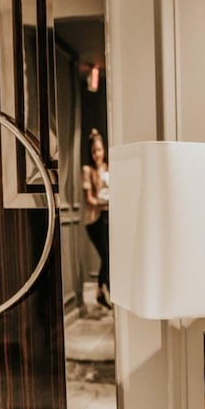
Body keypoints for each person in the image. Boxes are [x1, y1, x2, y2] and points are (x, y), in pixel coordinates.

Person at [82, 128, 111, 308]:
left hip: (109, 217)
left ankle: (101, 291)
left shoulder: (110, 168)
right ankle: (107, 291)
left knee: (109, 257)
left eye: (99, 150)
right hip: (94, 220)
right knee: (106, 256)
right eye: (93, 151)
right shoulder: (88, 170)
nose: (97, 155)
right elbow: (89, 199)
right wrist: (106, 202)